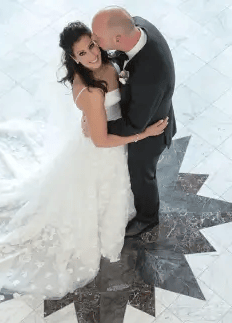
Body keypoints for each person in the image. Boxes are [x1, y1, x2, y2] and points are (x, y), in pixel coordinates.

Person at [0, 21, 168, 300]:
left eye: (91, 46)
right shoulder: (92, 91)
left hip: (113, 136)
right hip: (104, 149)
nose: (91, 55)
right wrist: (143, 134)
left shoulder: (109, 61)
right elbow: (100, 140)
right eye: (82, 54)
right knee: (95, 193)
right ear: (73, 59)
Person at [89, 7, 177, 237]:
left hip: (152, 128)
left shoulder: (150, 74)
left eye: (97, 38)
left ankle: (148, 218)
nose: (93, 41)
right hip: (147, 104)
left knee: (141, 172)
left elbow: (134, 125)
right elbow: (122, 57)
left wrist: (99, 128)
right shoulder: (137, 26)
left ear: (118, 39)